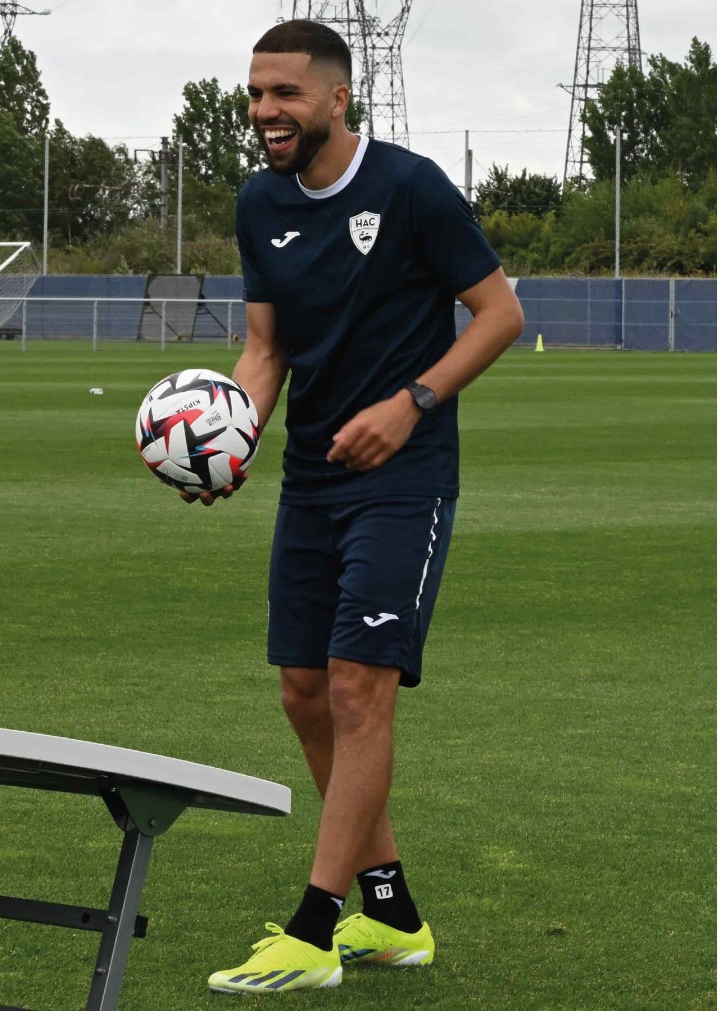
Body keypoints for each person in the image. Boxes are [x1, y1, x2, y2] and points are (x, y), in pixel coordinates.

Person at [181, 19, 524, 995]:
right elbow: (264, 347)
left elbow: (499, 314)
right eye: (254, 94)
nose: (263, 112)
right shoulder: (259, 202)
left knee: (355, 686)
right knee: (300, 691)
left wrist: (410, 404)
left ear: (337, 99)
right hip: (312, 479)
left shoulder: (409, 187)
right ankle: (393, 918)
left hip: (402, 480)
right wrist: (229, 438)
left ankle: (314, 925)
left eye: (283, 94)